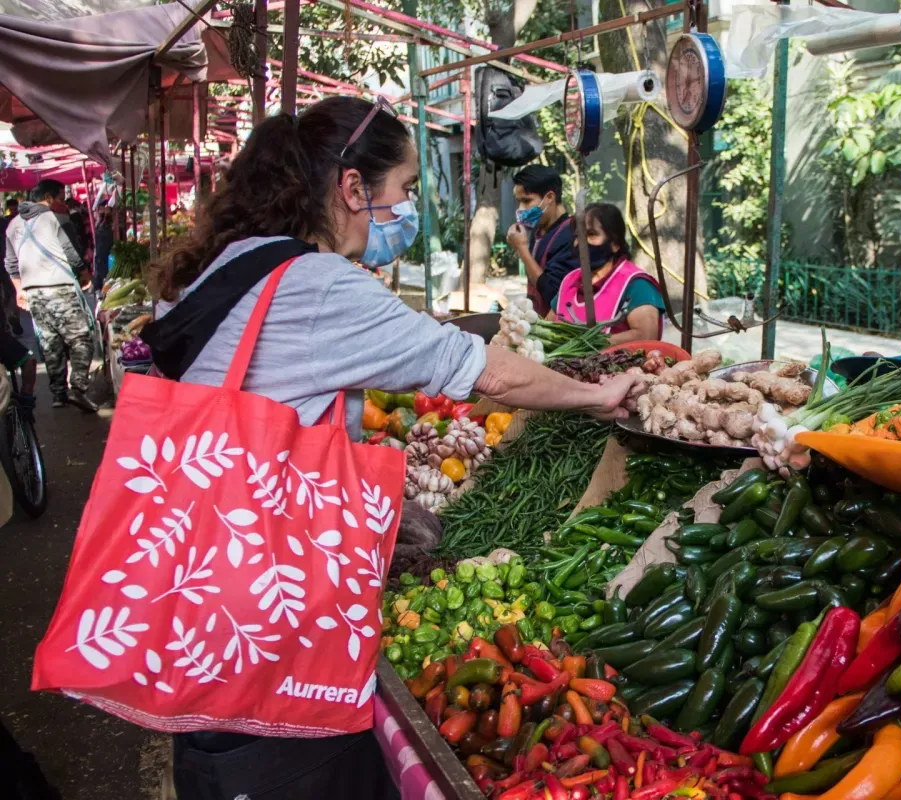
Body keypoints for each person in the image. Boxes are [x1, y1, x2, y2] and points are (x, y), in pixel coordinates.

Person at [141, 96, 634, 800]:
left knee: (221, 764)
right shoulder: (314, 285)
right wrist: (597, 395)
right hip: (271, 621)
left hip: (199, 589)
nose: (405, 208)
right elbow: (485, 371)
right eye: (401, 189)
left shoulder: (223, 265)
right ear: (351, 189)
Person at [5, 180, 97, 412]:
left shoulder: (13, 224)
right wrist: (85, 273)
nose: (63, 203)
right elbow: (71, 252)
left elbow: (11, 264)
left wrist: (19, 290)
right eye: (60, 198)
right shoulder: (55, 219)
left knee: (51, 342)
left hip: (34, 292)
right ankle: (77, 386)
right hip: (60, 287)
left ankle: (58, 394)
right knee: (80, 338)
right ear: (48, 197)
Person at [550, 203, 665, 345]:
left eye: (591, 234)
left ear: (615, 243)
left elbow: (646, 336)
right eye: (578, 235)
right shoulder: (569, 281)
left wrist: (585, 345)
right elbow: (548, 324)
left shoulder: (637, 285)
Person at [505, 165, 578, 315]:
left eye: (526, 200)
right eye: (519, 201)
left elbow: (554, 294)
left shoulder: (570, 234)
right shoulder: (539, 231)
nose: (521, 208)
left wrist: (522, 250)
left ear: (550, 197)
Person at [0, 198, 20, 334]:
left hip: (6, 261)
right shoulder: (7, 223)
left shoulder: (7, 221)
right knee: (12, 291)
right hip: (6, 261)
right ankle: (13, 315)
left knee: (8, 294)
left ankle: (5, 321)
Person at [92, 206, 114, 292]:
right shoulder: (104, 227)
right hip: (103, 252)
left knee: (100, 266)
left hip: (101, 253)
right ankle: (98, 287)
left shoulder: (100, 225)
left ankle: (98, 287)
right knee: (102, 268)